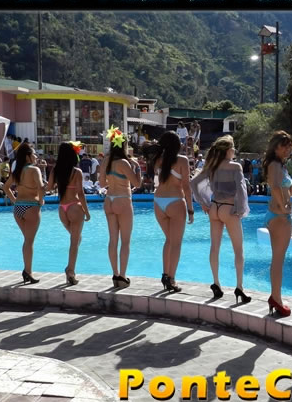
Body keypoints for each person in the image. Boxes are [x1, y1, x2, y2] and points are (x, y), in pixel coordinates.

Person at [190, 135, 251, 303]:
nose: (235, 151)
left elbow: (193, 183)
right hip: (229, 208)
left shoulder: (212, 166)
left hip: (214, 208)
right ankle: (239, 288)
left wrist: (203, 203)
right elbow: (241, 190)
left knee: (214, 247)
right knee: (238, 250)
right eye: (234, 148)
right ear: (229, 150)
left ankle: (216, 283)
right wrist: (240, 210)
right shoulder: (235, 166)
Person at [263, 131, 292, 317]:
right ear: (275, 147)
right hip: (279, 216)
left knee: (278, 259)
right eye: (284, 146)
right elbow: (274, 187)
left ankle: (276, 297)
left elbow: (290, 191)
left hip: (279, 215)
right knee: (278, 260)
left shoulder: (280, 165)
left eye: (290, 146)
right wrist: (283, 208)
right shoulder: (274, 164)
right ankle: (276, 298)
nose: (288, 149)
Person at [148, 130, 194, 292]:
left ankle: (165, 274)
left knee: (168, 240)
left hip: (158, 202)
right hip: (175, 202)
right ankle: (171, 279)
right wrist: (190, 210)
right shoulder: (182, 160)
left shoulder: (158, 160)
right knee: (176, 243)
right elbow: (186, 187)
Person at [98, 129, 142, 288]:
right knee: (125, 241)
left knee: (113, 240)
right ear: (124, 145)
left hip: (109, 200)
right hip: (123, 200)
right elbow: (137, 184)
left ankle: (115, 274)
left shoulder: (106, 160)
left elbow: (102, 183)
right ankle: (123, 276)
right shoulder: (124, 163)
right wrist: (138, 168)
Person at [47, 142, 91, 285]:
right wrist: (87, 212)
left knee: (76, 239)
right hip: (74, 207)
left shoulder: (55, 170)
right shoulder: (76, 172)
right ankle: (70, 271)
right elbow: (81, 193)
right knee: (74, 241)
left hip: (62, 209)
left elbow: (48, 187)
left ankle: (69, 268)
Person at [3, 143, 46, 284]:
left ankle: (27, 271)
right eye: (34, 154)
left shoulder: (17, 171)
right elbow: (41, 187)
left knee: (27, 240)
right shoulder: (34, 170)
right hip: (31, 206)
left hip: (18, 208)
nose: (36, 156)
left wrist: (14, 201)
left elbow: (6, 187)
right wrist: (41, 201)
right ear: (28, 156)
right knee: (29, 241)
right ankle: (28, 272)